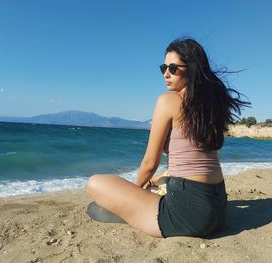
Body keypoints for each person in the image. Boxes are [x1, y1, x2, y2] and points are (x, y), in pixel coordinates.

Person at [86, 37, 250, 238]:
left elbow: (149, 162)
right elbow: (188, 160)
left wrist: (136, 192)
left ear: (191, 68)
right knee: (162, 178)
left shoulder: (168, 101)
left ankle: (136, 212)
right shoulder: (209, 107)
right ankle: (143, 208)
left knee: (94, 184)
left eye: (173, 68)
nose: (166, 73)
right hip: (218, 210)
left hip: (189, 214)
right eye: (164, 67)